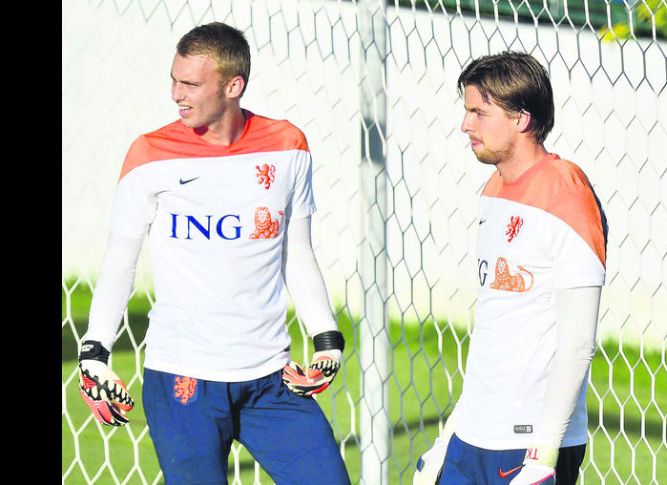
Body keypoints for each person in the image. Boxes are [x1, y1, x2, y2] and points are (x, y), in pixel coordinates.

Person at [76, 22, 351, 485]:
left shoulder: (288, 146)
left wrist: (326, 337)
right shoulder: (149, 155)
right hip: (185, 381)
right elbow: (120, 261)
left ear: (233, 85)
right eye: (174, 79)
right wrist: (94, 351)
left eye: (190, 84)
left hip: (271, 379)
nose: (175, 94)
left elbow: (296, 250)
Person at [414, 52, 607, 485]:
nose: (466, 125)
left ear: (521, 118)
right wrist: (447, 441)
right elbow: (497, 331)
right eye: (467, 112)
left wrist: (544, 453)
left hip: (528, 443)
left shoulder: (567, 194)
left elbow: (577, 344)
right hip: (471, 436)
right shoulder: (493, 190)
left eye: (479, 113)